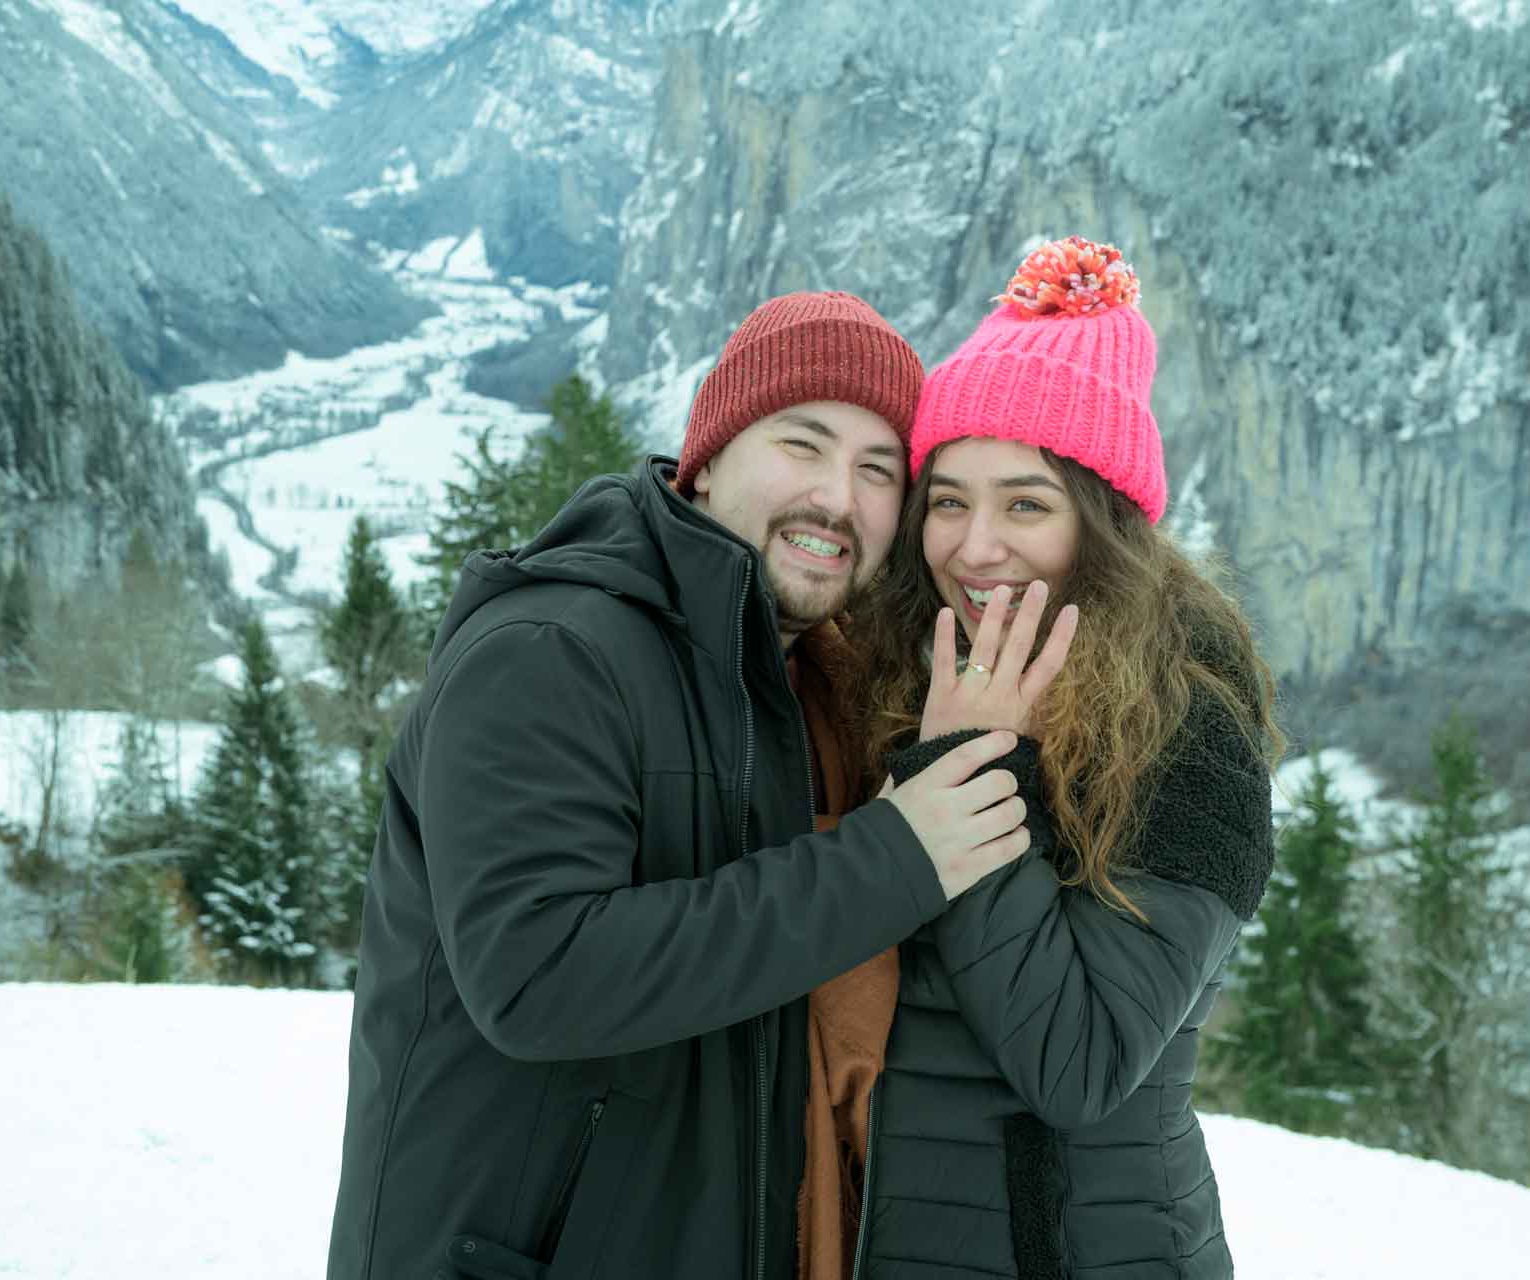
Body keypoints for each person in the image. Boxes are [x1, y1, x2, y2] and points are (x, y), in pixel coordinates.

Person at [326, 291, 1057, 1280]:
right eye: (803, 443)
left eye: (878, 468)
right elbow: (539, 973)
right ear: (707, 456)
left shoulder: (794, 678)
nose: (838, 499)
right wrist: (896, 854)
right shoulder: (550, 654)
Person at [845, 237, 1286, 1279]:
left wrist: (976, 764)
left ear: (1102, 526)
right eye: (947, 498)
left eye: (1025, 503)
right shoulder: (895, 671)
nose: (973, 544)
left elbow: (1079, 1061)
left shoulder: (1191, 728)